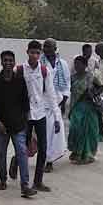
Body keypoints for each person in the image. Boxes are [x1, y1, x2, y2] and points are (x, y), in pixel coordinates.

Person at [0, 50, 34, 197]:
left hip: (18, 125)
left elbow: (26, 103)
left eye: (10, 60)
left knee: (22, 153)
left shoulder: (20, 80)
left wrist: (26, 124)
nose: (8, 63)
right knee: (1, 154)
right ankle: (3, 179)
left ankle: (25, 185)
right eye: (5, 60)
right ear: (1, 62)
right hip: (1, 126)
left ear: (14, 62)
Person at [16, 40, 56, 193]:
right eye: (32, 52)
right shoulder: (19, 69)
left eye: (37, 53)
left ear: (40, 54)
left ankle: (38, 181)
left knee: (43, 148)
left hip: (40, 113)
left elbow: (51, 94)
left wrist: (57, 117)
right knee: (23, 146)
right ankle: (15, 163)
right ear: (27, 52)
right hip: (24, 114)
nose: (35, 55)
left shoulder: (45, 71)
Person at [40, 39, 70, 172]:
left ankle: (49, 160)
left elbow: (67, 84)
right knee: (41, 134)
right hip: (41, 104)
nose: (46, 49)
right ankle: (19, 159)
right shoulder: (39, 63)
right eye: (44, 46)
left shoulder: (62, 64)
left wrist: (63, 103)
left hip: (56, 104)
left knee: (55, 133)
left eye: (49, 46)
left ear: (55, 48)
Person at [67, 55, 103, 165]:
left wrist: (93, 93)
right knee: (75, 129)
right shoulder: (72, 77)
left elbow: (101, 87)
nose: (77, 66)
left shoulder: (91, 76)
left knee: (88, 130)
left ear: (85, 65)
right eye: (75, 64)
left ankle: (87, 154)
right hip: (75, 107)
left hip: (88, 107)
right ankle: (76, 152)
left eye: (79, 64)